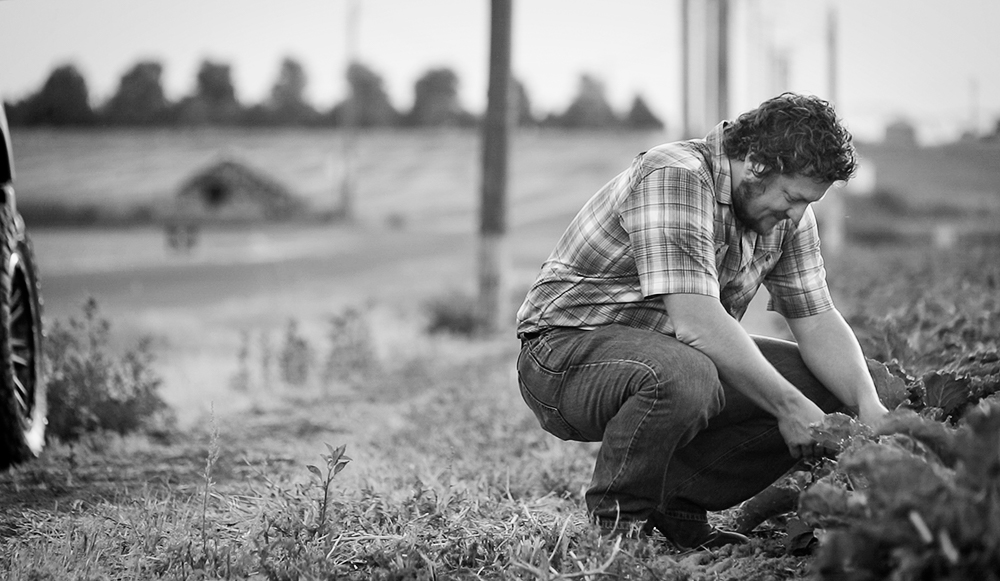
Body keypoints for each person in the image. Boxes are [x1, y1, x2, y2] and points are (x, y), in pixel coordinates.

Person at [515, 92, 888, 549]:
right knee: (687, 374)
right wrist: (788, 408)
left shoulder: (789, 218)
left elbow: (817, 319)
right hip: (564, 355)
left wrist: (868, 405)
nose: (796, 213)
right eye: (792, 197)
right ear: (755, 162)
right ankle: (616, 530)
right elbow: (697, 321)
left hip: (667, 353)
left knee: (830, 384)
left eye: (807, 203)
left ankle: (675, 500)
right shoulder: (676, 175)